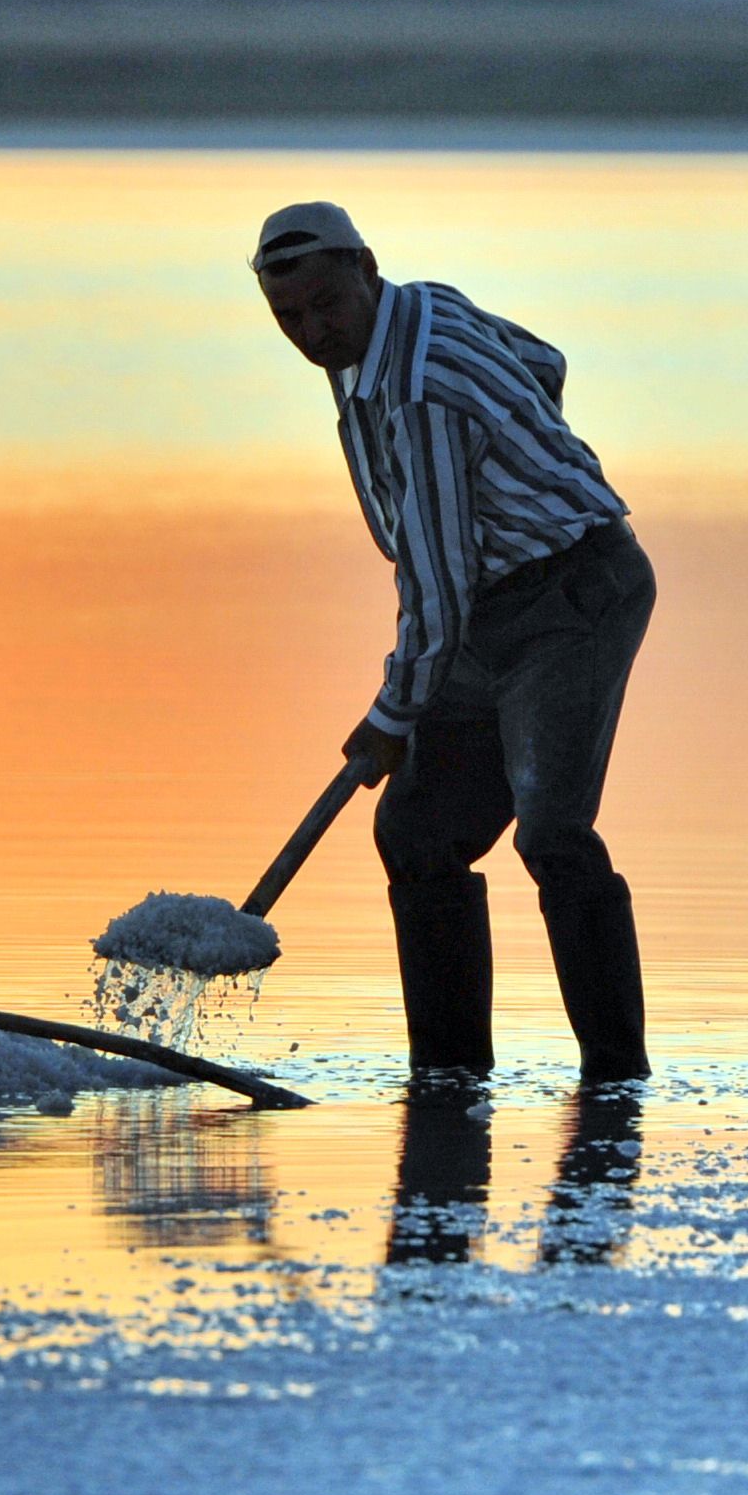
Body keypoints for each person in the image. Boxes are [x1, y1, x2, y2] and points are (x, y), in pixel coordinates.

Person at [250, 201, 654, 1086]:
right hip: (487, 609)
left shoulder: (418, 390)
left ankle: (617, 1081)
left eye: (326, 306)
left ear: (365, 267)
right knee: (418, 834)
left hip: (574, 593)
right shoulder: (416, 304)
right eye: (289, 319)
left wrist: (391, 715)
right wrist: (522, 449)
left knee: (551, 831)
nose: (313, 332)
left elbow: (435, 583)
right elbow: (543, 363)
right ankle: (448, 1076)